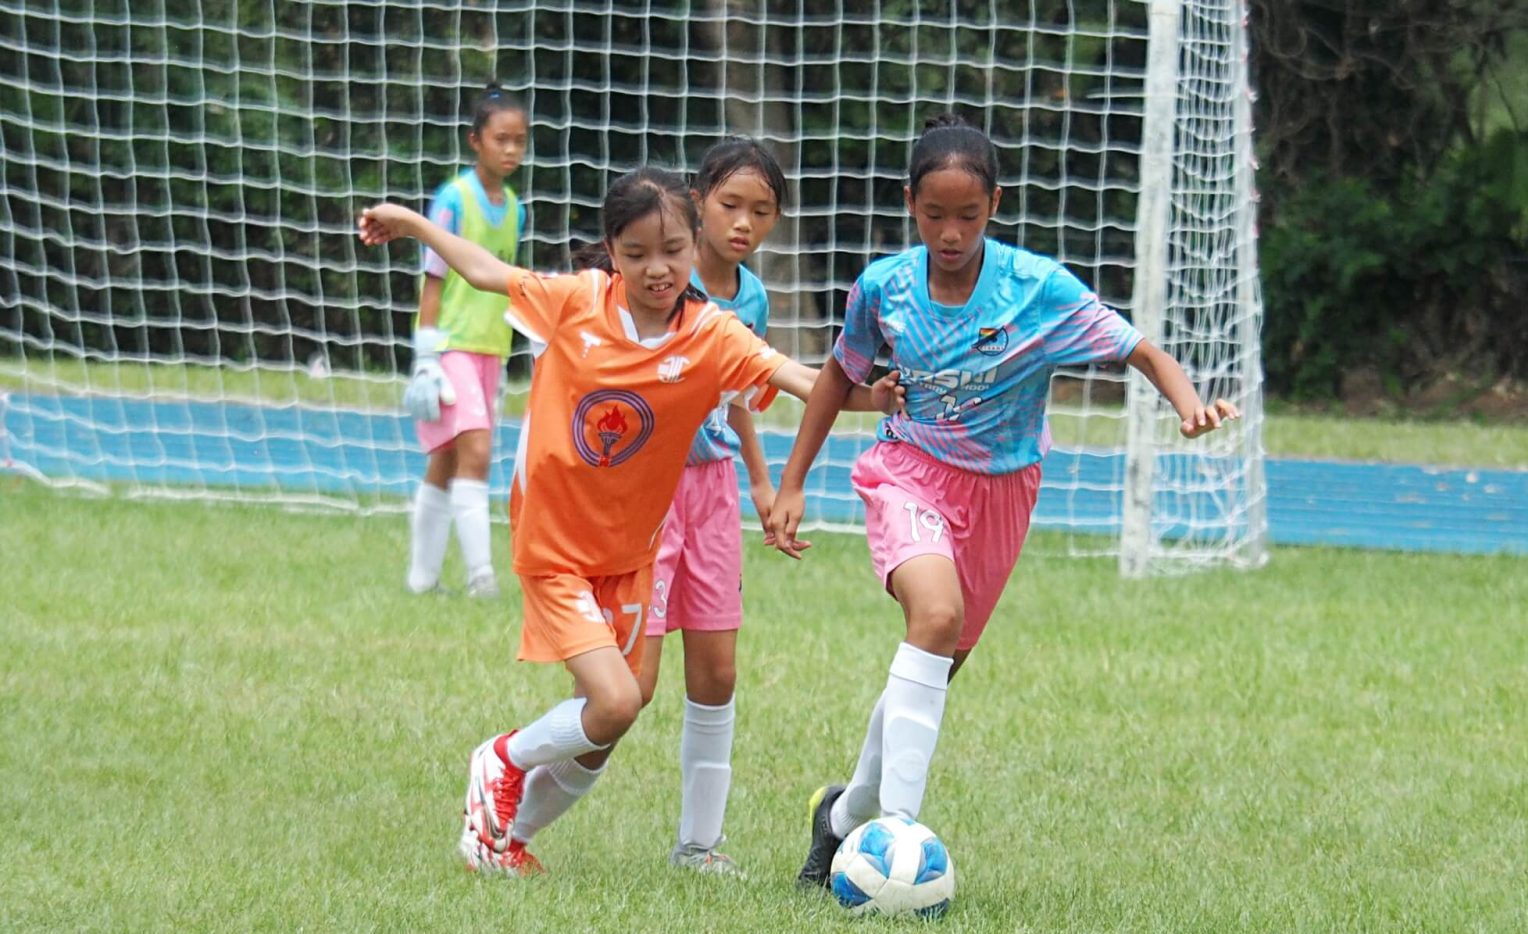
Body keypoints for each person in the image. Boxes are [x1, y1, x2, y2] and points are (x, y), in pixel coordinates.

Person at [358, 166, 892, 877]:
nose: (658, 267)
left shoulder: (712, 334)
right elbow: (487, 271)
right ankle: (500, 758)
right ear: (612, 250)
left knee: (613, 717)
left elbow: (798, 378)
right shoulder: (576, 302)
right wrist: (418, 224)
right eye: (637, 252)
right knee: (611, 700)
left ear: (692, 242)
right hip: (555, 546)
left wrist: (873, 398)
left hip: (631, 553)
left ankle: (500, 839)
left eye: (672, 249)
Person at [763, 114, 1241, 888]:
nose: (950, 233)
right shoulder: (883, 288)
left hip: (1003, 493)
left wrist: (1188, 404)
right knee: (935, 616)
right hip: (907, 469)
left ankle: (845, 816)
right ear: (910, 202)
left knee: (937, 659)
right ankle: (902, 839)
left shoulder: (1036, 291)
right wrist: (792, 483)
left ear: (995, 205)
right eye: (934, 215)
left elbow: (1139, 348)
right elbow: (835, 378)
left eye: (969, 216)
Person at [628, 139, 786, 876]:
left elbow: (742, 393)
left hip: (715, 487)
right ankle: (515, 781)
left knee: (718, 671)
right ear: (697, 202)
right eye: (730, 205)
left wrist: (762, 482)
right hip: (647, 490)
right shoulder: (663, 286)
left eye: (761, 211)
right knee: (629, 685)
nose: (744, 223)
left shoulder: (750, 298)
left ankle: (698, 844)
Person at [404, 83, 529, 600]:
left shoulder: (516, 206)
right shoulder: (453, 200)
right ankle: (482, 577)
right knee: (476, 450)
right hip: (451, 347)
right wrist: (426, 356)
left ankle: (422, 579)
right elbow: (433, 279)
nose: (511, 150)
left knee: (450, 458)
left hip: (490, 349)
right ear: (475, 140)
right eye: (501, 139)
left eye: (520, 141)